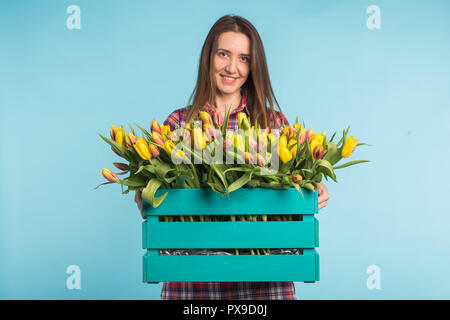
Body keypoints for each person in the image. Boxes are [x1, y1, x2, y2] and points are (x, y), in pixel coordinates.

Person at [135, 15, 330, 300]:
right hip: (192, 288)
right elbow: (157, 202)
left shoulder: (274, 125)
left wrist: (314, 190)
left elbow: (295, 191)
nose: (231, 68)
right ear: (208, 58)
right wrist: (147, 196)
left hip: (264, 286)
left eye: (244, 58)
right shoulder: (178, 124)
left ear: (254, 67)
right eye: (223, 54)